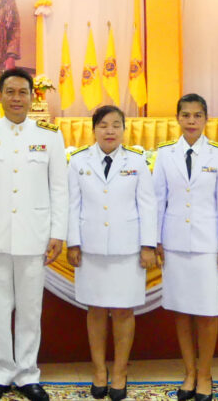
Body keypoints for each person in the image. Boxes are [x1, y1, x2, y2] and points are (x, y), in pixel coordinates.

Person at [0, 68, 68, 401]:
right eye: (10, 92)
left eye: (23, 92)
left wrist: (57, 233)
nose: (17, 98)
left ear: (33, 95)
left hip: (34, 235)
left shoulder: (50, 136)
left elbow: (59, 189)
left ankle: (26, 373)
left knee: (29, 308)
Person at [66, 105, 156, 401]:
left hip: (127, 248)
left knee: (123, 310)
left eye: (116, 125)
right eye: (103, 125)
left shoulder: (138, 162)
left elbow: (147, 205)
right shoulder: (78, 162)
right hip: (90, 247)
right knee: (96, 310)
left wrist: (148, 245)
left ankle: (119, 371)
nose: (109, 131)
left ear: (123, 129)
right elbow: (72, 205)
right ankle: (98, 371)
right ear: (94, 129)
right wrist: (73, 242)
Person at [155, 94, 218, 401]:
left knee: (206, 312)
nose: (191, 121)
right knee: (181, 311)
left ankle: (205, 373)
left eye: (197, 115)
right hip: (174, 243)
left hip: (207, 244)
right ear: (177, 118)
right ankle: (189, 371)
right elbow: (158, 200)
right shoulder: (165, 154)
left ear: (206, 120)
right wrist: (156, 240)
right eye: (186, 115)